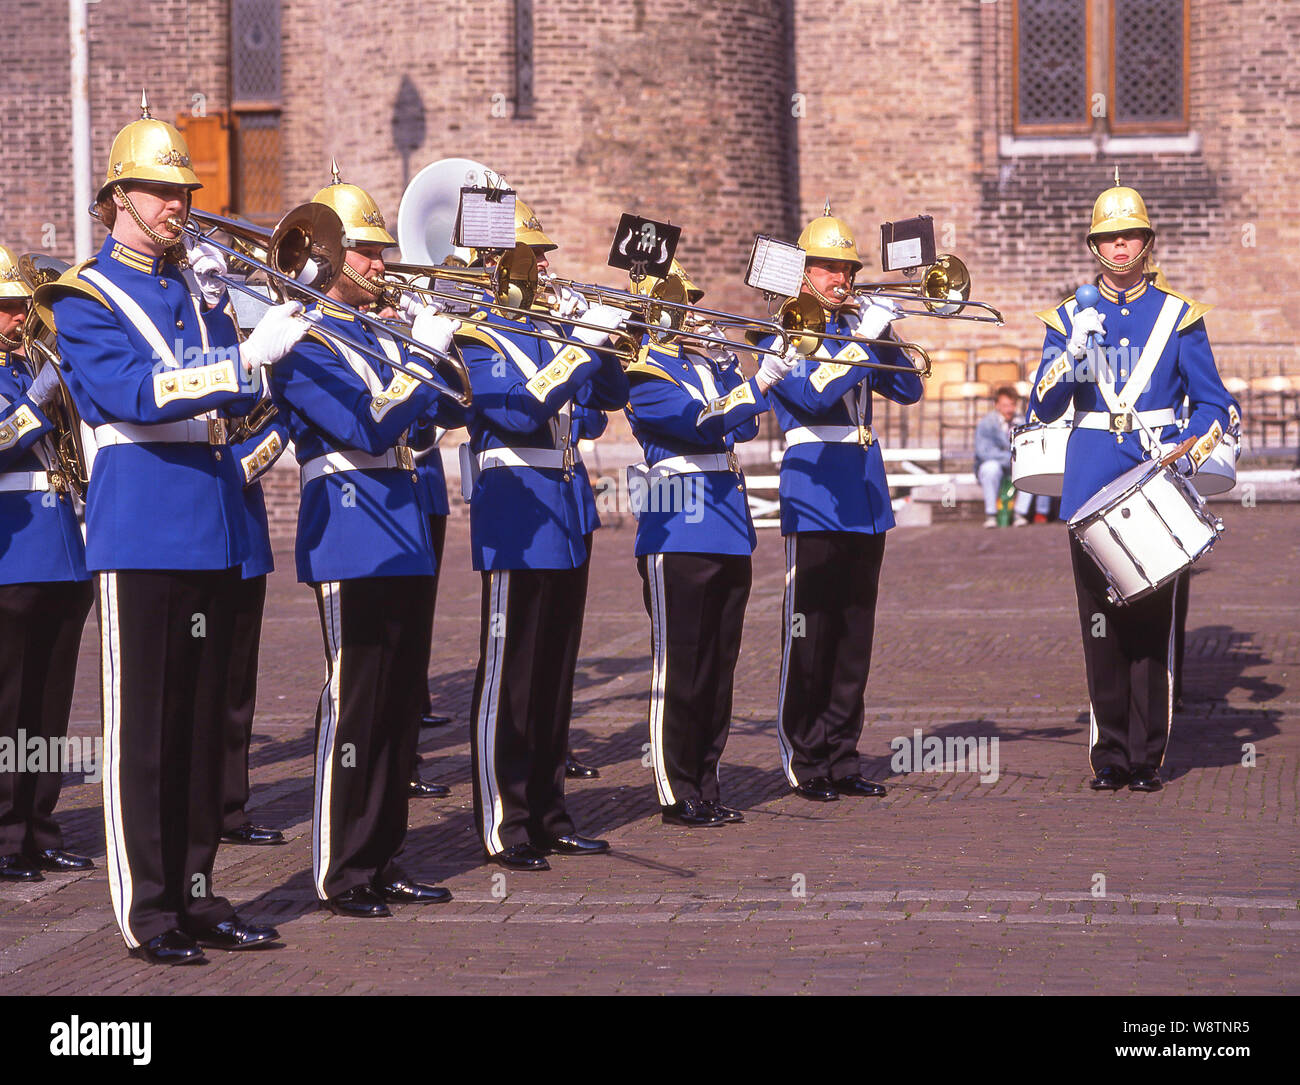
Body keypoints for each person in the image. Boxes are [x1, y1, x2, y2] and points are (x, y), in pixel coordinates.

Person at [49, 96, 313, 963]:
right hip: (141, 531)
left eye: (183, 191)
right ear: (117, 196)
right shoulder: (85, 295)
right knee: (145, 738)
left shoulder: (193, 287)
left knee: (202, 734)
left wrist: (276, 335)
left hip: (210, 524)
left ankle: (198, 895)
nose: (178, 205)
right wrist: (242, 358)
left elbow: (238, 397)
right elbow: (131, 392)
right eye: (160, 192)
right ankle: (149, 911)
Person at [269, 164, 462, 916]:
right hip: (349, 530)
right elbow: (364, 423)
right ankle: (341, 867)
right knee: (354, 705)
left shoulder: (377, 334)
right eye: (368, 253)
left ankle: (383, 856)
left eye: (384, 252)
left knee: (394, 711)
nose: (384, 266)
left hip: (402, 528)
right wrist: (419, 356)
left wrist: (432, 361)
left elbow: (419, 423)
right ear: (328, 256)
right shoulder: (303, 341)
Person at [1027, 174, 1232, 793]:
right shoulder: (1068, 317)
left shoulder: (1178, 316)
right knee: (1099, 621)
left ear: (1148, 242)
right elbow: (1043, 402)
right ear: (1094, 246)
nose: (1120, 248)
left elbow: (1213, 406)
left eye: (1131, 237)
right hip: (1092, 481)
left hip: (1157, 479)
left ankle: (1148, 752)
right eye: (1109, 238)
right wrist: (1071, 355)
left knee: (1153, 623)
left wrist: (1187, 456)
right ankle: (1109, 751)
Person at [455, 197, 628, 871]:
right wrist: (579, 345)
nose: (550, 263)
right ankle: (506, 818)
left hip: (565, 510)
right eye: (537, 252)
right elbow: (521, 407)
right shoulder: (481, 334)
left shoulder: (547, 327)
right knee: (510, 675)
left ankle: (550, 811)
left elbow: (604, 402)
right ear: (504, 263)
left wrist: (602, 339)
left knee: (554, 675)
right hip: (515, 514)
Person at [624, 259, 798, 827]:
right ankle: (677, 788)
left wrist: (731, 367)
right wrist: (759, 381)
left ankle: (707, 778)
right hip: (677, 525)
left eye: (694, 299)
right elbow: (698, 424)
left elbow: (743, 427)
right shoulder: (644, 370)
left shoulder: (703, 365)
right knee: (680, 665)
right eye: (681, 301)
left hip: (725, 524)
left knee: (718, 665)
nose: (694, 311)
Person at [759, 205, 923, 802]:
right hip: (815, 490)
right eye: (829, 269)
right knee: (810, 632)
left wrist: (888, 335)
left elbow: (908, 389)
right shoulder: (781, 333)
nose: (842, 280)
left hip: (863, 494)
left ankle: (842, 753)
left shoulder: (853, 326)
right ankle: (805, 758)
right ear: (804, 274)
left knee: (854, 634)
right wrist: (860, 337)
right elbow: (810, 395)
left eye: (848, 269)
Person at [0, 244, 94, 882]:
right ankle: (6, 835)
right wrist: (37, 401)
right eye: (4, 310)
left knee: (48, 706)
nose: (16, 320)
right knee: (8, 706)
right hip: (12, 557)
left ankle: (39, 825)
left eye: (18, 308)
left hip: (63, 551)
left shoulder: (31, 361)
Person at [220, 392, 292, 846]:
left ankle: (228, 806)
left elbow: (265, 435)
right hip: (194, 539)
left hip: (243, 540)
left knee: (236, 689)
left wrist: (278, 418)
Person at [974, 386, 1052, 527]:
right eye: (1005, 405)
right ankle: (991, 514)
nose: (1009, 409)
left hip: (1015, 465)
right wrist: (1011, 458)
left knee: (1030, 469)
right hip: (997, 464)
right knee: (990, 469)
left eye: (1012, 405)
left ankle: (1019, 513)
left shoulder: (1021, 421)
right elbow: (983, 452)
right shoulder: (986, 423)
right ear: (997, 405)